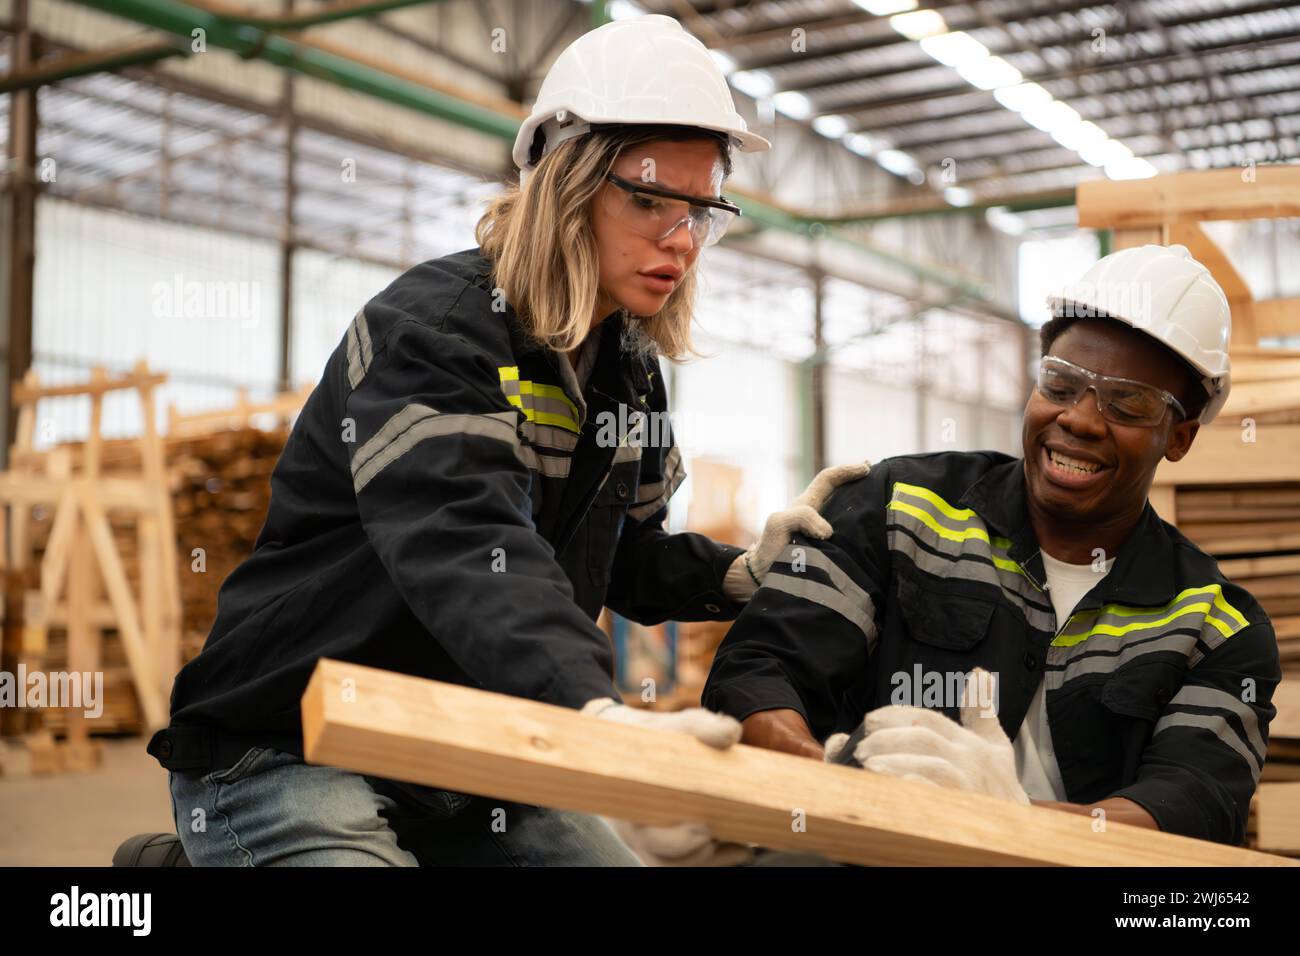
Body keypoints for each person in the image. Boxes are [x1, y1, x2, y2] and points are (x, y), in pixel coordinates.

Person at [147, 14, 865, 866]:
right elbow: (466, 542)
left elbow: (623, 556)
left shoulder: (627, 366)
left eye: (700, 210)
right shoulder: (434, 333)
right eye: (646, 199)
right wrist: (594, 715)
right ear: (565, 185)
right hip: (290, 736)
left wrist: (739, 570)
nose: (680, 238)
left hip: (466, 756)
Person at [705, 244, 1279, 846]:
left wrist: (1009, 820)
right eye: (1061, 384)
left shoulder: (1216, 625)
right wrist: (837, 783)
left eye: (1127, 402)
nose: (1080, 419)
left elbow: (1193, 804)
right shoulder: (901, 507)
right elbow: (763, 669)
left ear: (1180, 437)